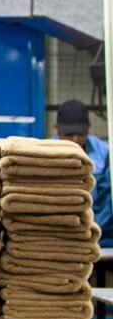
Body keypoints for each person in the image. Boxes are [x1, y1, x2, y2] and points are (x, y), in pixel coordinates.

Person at [55, 99, 113, 246]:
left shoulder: (106, 153)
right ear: (57, 129)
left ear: (89, 128)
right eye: (69, 134)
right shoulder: (44, 154)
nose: (75, 140)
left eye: (80, 134)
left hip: (100, 227)